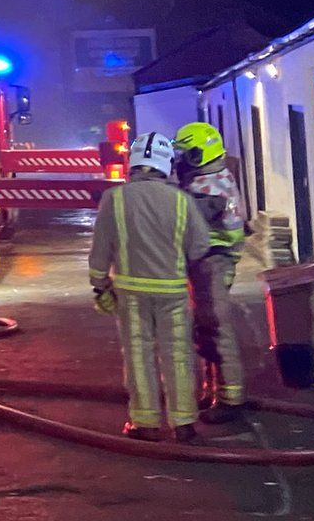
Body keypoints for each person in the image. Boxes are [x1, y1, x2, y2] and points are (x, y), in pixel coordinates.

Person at [89, 132, 210, 442]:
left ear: (134, 164)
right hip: (172, 292)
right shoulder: (181, 202)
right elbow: (199, 248)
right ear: (165, 164)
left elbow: (100, 250)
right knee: (178, 354)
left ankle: (146, 424)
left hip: (130, 294)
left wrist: (100, 286)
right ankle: (183, 423)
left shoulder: (114, 199)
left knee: (138, 355)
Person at [174, 122, 247, 423]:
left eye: (185, 153)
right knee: (204, 326)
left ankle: (232, 398)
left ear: (199, 153)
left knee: (216, 325)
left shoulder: (210, 187)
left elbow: (190, 218)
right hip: (209, 260)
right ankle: (213, 391)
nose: (180, 160)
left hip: (215, 260)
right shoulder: (209, 176)